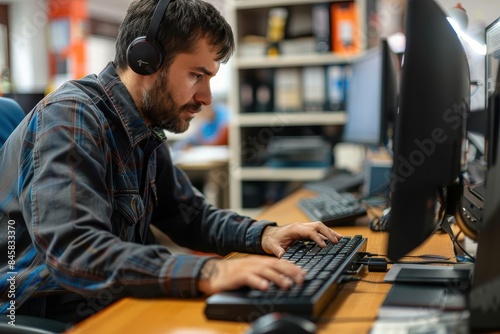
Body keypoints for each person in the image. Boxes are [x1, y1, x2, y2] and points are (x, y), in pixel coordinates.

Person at [0, 0, 342, 325]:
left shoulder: (142, 126)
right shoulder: (70, 118)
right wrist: (209, 272)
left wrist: (265, 234)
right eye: (197, 75)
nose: (206, 97)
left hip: (109, 305)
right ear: (145, 60)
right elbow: (75, 252)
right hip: (40, 316)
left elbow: (190, 217)